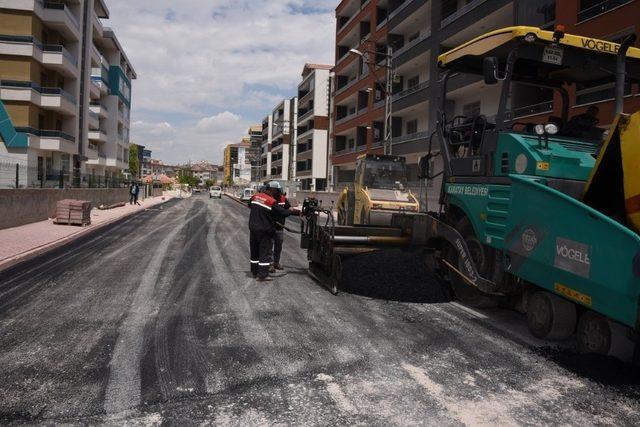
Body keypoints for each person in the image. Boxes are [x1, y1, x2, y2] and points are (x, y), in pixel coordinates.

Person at [248, 181, 296, 282]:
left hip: (253, 228)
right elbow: (281, 213)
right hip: (264, 230)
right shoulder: (270, 201)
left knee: (255, 251)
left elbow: (250, 205)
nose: (277, 192)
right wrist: (291, 211)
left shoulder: (255, 197)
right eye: (277, 190)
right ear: (272, 190)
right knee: (264, 252)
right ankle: (263, 275)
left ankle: (254, 271)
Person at [269, 189, 291, 272]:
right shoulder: (270, 198)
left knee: (278, 247)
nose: (278, 193)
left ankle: (276, 263)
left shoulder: (283, 199)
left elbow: (289, 208)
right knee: (269, 247)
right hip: (270, 227)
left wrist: (297, 212)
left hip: (280, 228)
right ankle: (270, 264)